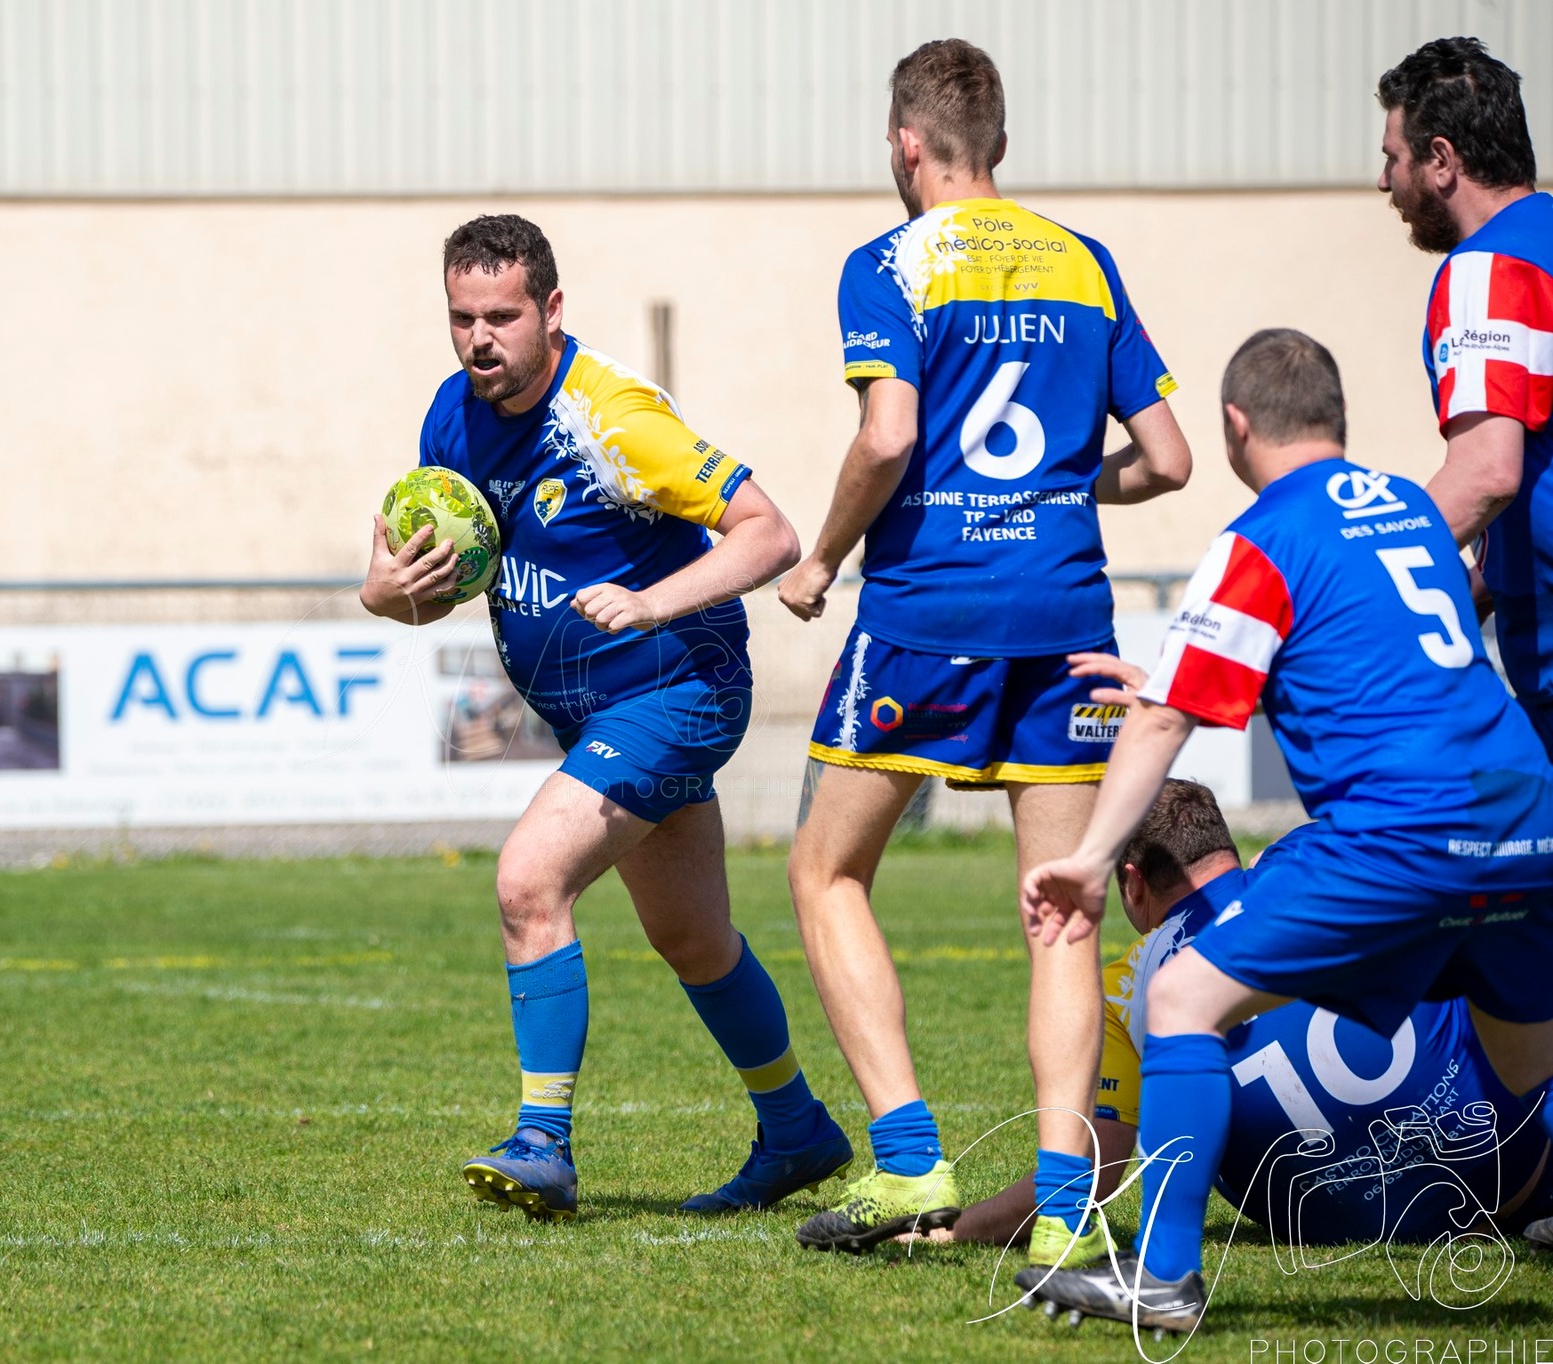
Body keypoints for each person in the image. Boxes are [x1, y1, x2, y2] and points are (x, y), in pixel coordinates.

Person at [1019, 329, 1553, 1334]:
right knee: (1527, 1065)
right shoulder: (1405, 507)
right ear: (1335, 418)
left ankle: (1163, 1277)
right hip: (1527, 813)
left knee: (1179, 996)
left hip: (1409, 829)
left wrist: (1089, 857)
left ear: (1232, 425)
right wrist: (1173, 683)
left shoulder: (1263, 534)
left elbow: (1166, 720)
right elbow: (1365, 666)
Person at [778, 38, 1191, 1266]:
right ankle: (1065, 1204)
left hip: (927, 617)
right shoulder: (1082, 260)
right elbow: (1168, 458)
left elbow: (885, 432)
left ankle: (908, 1165)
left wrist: (820, 558)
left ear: (906, 142)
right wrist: (1067, 491)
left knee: (825, 871)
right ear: (996, 145)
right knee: (1060, 912)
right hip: (1066, 621)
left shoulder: (887, 264)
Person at [361, 214, 853, 1222]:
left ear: (549, 310)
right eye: (461, 317)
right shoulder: (449, 422)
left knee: (526, 879)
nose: (479, 338)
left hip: (678, 689)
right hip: (600, 712)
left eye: (501, 315)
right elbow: (445, 587)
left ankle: (541, 1141)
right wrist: (385, 592)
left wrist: (652, 601)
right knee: (691, 935)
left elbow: (769, 532)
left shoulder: (611, 416)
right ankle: (797, 1129)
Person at [948, 778, 1553, 1265]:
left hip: (1342, 1224)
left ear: (1132, 882)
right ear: (1227, 847)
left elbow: (1093, 1174)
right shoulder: (1302, 864)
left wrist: (955, 1230)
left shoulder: (1118, 990)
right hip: (1516, 1165)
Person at [1377, 39, 1553, 753]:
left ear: (1442, 159)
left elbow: (1486, 472)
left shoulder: (1488, 267)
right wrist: (1475, 586)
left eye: (1393, 157)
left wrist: (1357, 570)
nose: (1383, 182)